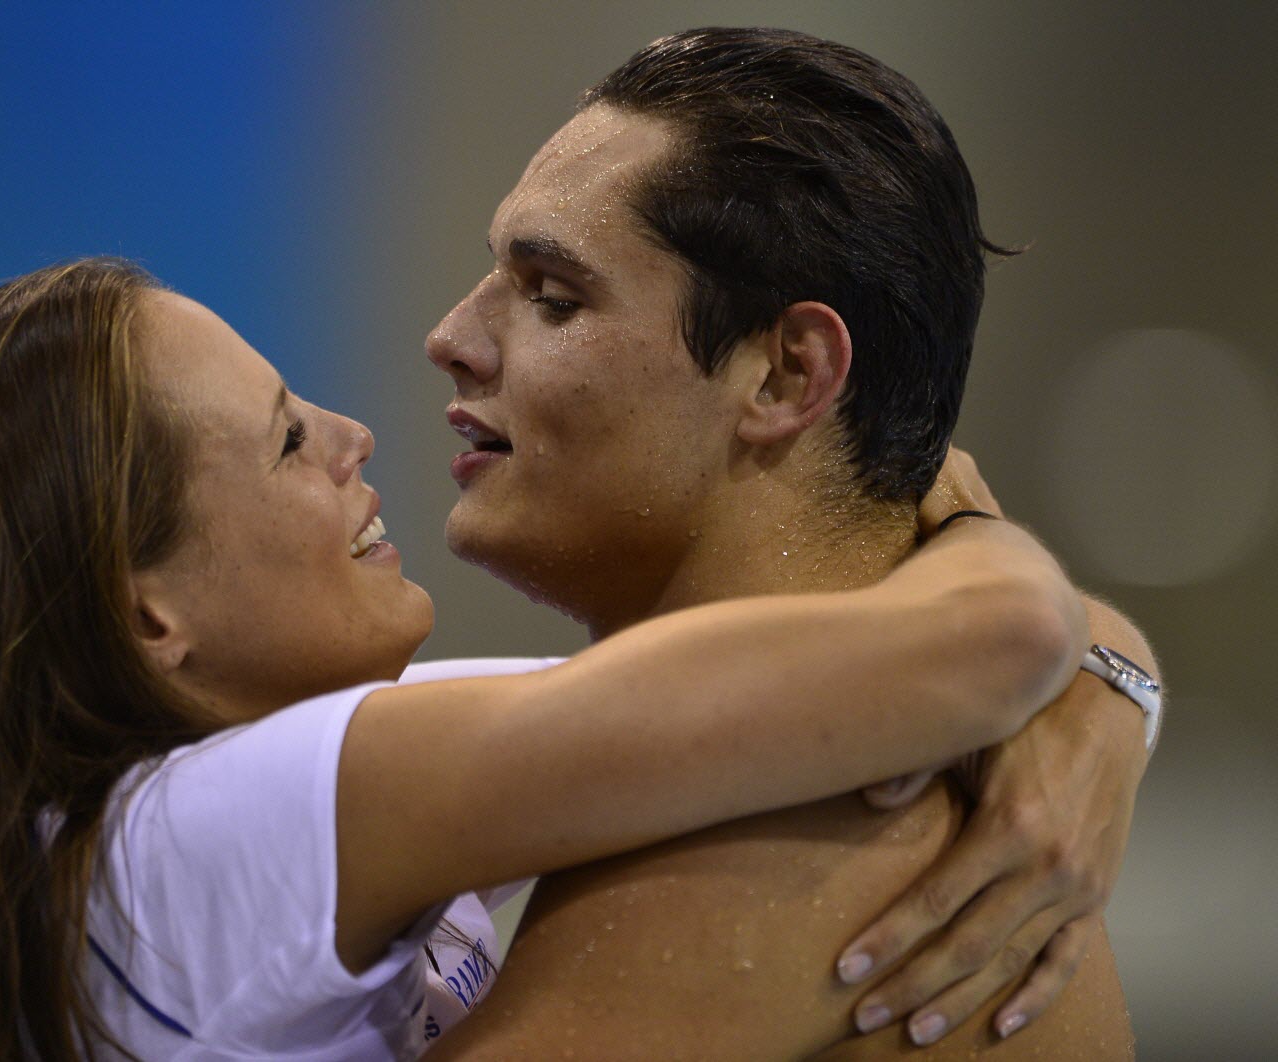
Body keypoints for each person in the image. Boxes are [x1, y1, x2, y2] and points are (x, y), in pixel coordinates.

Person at [0, 258, 1097, 1060]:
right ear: (148, 611)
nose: (353, 434)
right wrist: (964, 515)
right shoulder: (211, 834)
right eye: (282, 440)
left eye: (558, 290)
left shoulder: (144, 834)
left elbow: (907, 674)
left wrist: (1100, 705)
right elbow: (998, 637)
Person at [422, 27, 1157, 1059]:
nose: (452, 335)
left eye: (553, 297)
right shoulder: (854, 765)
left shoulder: (782, 822)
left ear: (785, 377)